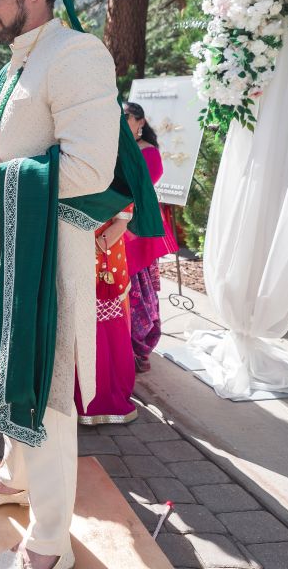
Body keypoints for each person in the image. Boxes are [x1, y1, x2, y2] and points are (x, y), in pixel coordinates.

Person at [0, 0, 161, 569]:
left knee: (41, 384)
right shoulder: (15, 66)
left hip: (50, 258)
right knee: (12, 369)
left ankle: (47, 543)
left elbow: (90, 170)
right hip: (9, 250)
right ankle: (15, 480)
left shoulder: (75, 55)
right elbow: (6, 160)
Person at [122, 101, 179, 373]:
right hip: (111, 222)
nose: (121, 122)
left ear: (140, 122)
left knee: (139, 287)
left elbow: (143, 186)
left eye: (126, 118)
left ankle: (140, 346)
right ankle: (119, 346)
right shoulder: (114, 148)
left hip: (137, 227)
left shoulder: (148, 153)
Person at [74, 211, 137, 424]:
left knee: (100, 324)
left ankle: (98, 398)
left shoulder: (119, 177)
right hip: (68, 247)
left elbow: (121, 222)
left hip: (103, 255)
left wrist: (92, 249)